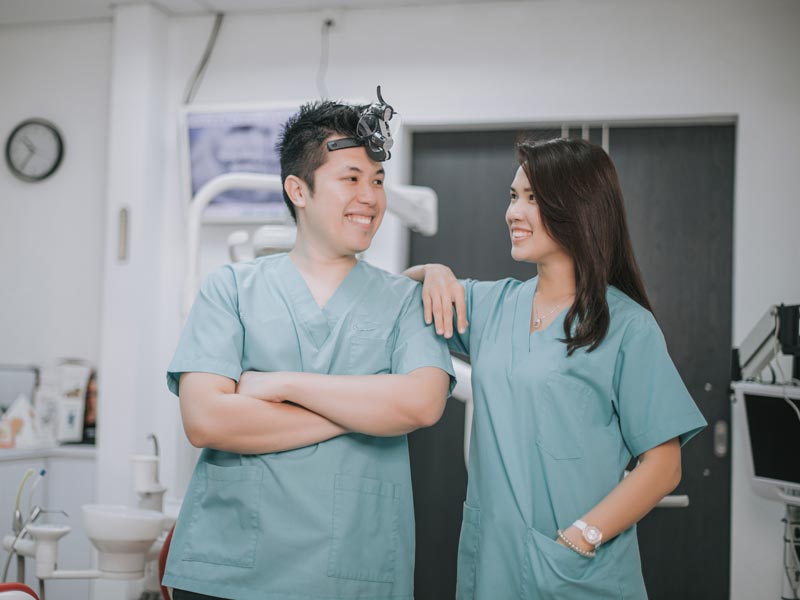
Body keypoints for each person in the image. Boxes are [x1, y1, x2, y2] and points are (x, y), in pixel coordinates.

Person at [162, 96, 455, 600]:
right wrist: (366, 410)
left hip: (350, 569)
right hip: (232, 568)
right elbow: (206, 421)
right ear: (298, 189)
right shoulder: (231, 288)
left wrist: (284, 386)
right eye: (351, 178)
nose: (371, 196)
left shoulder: (405, 300)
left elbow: (422, 405)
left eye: (378, 181)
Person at [404, 137, 707, 599]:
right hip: (494, 564)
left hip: (577, 570)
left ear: (577, 208)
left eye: (532, 199)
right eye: (513, 197)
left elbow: (664, 466)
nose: (513, 213)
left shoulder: (626, 326)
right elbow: (392, 300)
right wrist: (434, 270)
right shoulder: (491, 304)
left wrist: (582, 537)